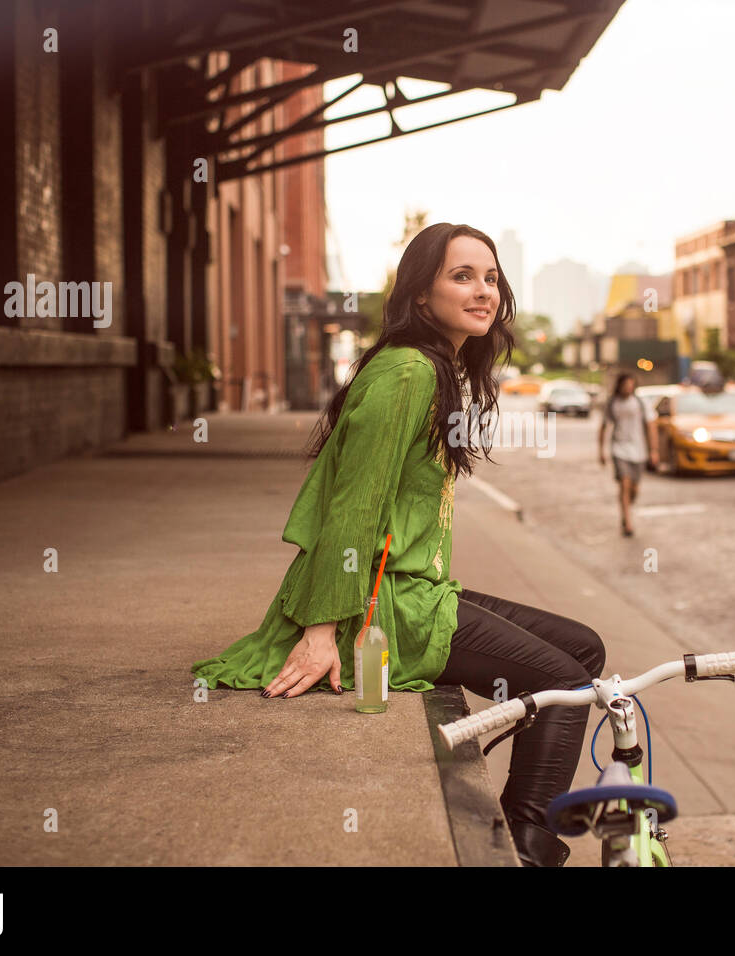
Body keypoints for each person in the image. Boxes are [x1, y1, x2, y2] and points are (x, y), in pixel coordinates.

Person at [191, 222, 605, 867]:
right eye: (461, 276)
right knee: (565, 680)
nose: (483, 291)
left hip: (418, 588)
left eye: (490, 277)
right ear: (420, 295)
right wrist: (321, 629)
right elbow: (355, 506)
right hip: (383, 603)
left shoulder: (438, 368)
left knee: (584, 645)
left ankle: (522, 813)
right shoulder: (407, 373)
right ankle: (528, 846)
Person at [598, 372, 658, 536]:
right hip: (619, 448)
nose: (628, 388)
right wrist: (601, 451)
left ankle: (627, 508)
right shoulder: (612, 404)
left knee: (634, 489)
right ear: (619, 386)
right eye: (625, 385)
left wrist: (654, 450)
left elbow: (651, 426)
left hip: (639, 450)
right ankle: (627, 521)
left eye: (631, 385)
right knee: (625, 483)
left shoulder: (640, 402)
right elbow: (604, 427)